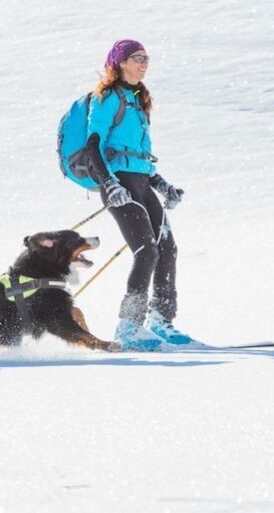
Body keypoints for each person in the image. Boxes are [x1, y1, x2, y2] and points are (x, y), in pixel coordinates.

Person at [83, 39, 195, 351]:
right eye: (137, 58)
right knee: (146, 250)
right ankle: (129, 328)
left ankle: (160, 321)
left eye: (146, 57)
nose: (144, 63)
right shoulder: (106, 98)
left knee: (167, 248)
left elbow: (140, 158)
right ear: (120, 62)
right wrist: (109, 184)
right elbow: (94, 145)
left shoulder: (138, 99)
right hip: (119, 184)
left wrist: (162, 185)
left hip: (140, 183)